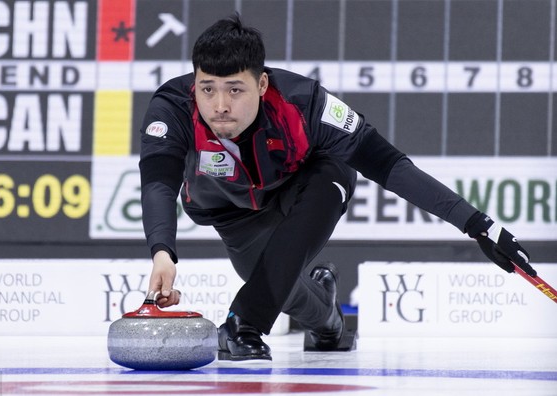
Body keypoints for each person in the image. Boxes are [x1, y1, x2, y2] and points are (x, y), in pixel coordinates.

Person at [138, 14, 536, 361]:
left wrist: (476, 223)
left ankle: (243, 324)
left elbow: (390, 165)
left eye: (235, 90)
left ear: (261, 84)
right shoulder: (172, 107)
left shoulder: (304, 103)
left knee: (307, 215)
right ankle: (328, 319)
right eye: (208, 89)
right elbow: (158, 182)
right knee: (276, 283)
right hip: (230, 210)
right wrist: (162, 253)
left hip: (307, 184)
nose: (220, 105)